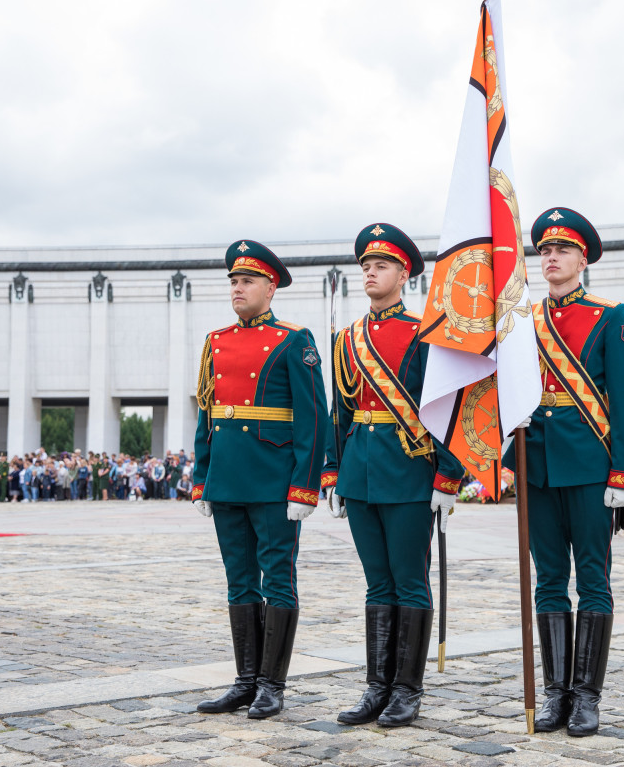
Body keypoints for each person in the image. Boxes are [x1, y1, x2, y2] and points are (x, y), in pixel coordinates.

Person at [321, 223, 465, 729]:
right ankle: (376, 688)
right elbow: (339, 410)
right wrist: (332, 471)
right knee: (376, 584)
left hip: (408, 470)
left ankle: (407, 690)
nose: (370, 273)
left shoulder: (427, 330)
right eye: (365, 266)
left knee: (409, 582)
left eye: (380, 265)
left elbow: (449, 408)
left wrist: (449, 477)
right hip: (360, 470)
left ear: (404, 273)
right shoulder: (348, 339)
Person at [504, 208, 624, 737]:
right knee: (550, 582)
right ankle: (556, 691)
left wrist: (623, 474)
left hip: (589, 467)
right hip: (536, 466)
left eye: (562, 250)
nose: (552, 257)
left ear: (583, 259)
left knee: (594, 580)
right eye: (544, 251)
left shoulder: (610, 315)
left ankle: (587, 695)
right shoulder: (521, 321)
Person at [191, 239, 327, 720]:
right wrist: (201, 475)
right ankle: (244, 681)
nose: (237, 288)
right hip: (228, 478)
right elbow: (207, 413)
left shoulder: (294, 339)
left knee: (279, 581)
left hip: (273, 480)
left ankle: (273, 685)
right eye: (233, 281)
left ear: (270, 287)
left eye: (247, 280)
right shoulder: (216, 340)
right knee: (239, 582)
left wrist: (305, 485)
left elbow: (314, 417)